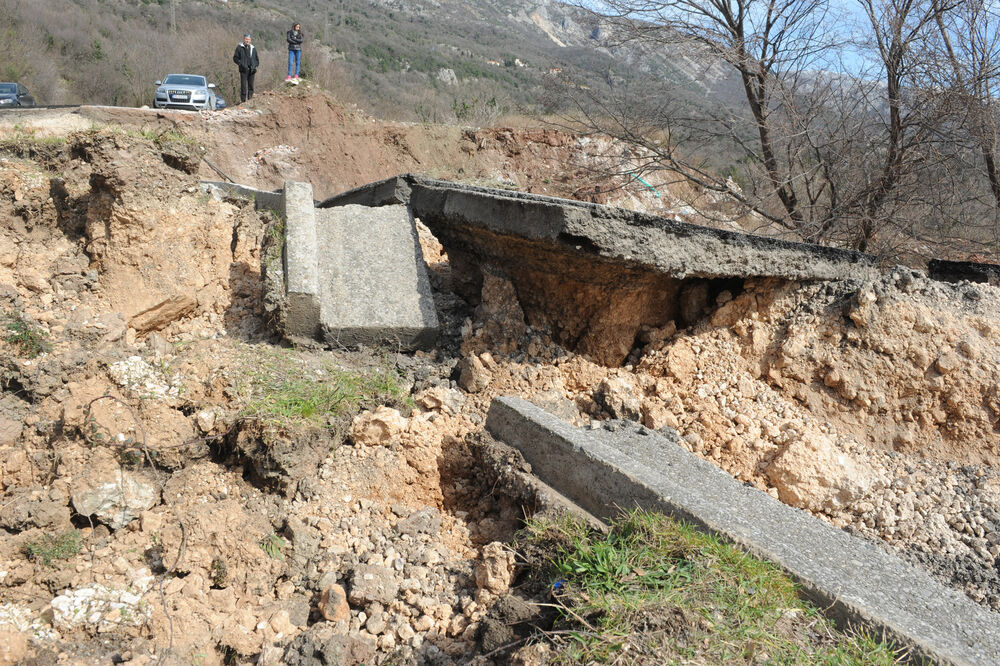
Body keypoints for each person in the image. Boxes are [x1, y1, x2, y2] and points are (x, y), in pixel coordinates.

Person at [233, 33, 259, 103]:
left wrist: (255, 66)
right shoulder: (239, 47)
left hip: (252, 70)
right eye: (246, 39)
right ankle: (243, 101)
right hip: (243, 70)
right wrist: (240, 64)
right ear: (244, 39)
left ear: (250, 40)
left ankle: (250, 100)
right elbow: (235, 58)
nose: (247, 41)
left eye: (249, 39)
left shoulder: (253, 48)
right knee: (243, 86)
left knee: (251, 86)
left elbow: (256, 59)